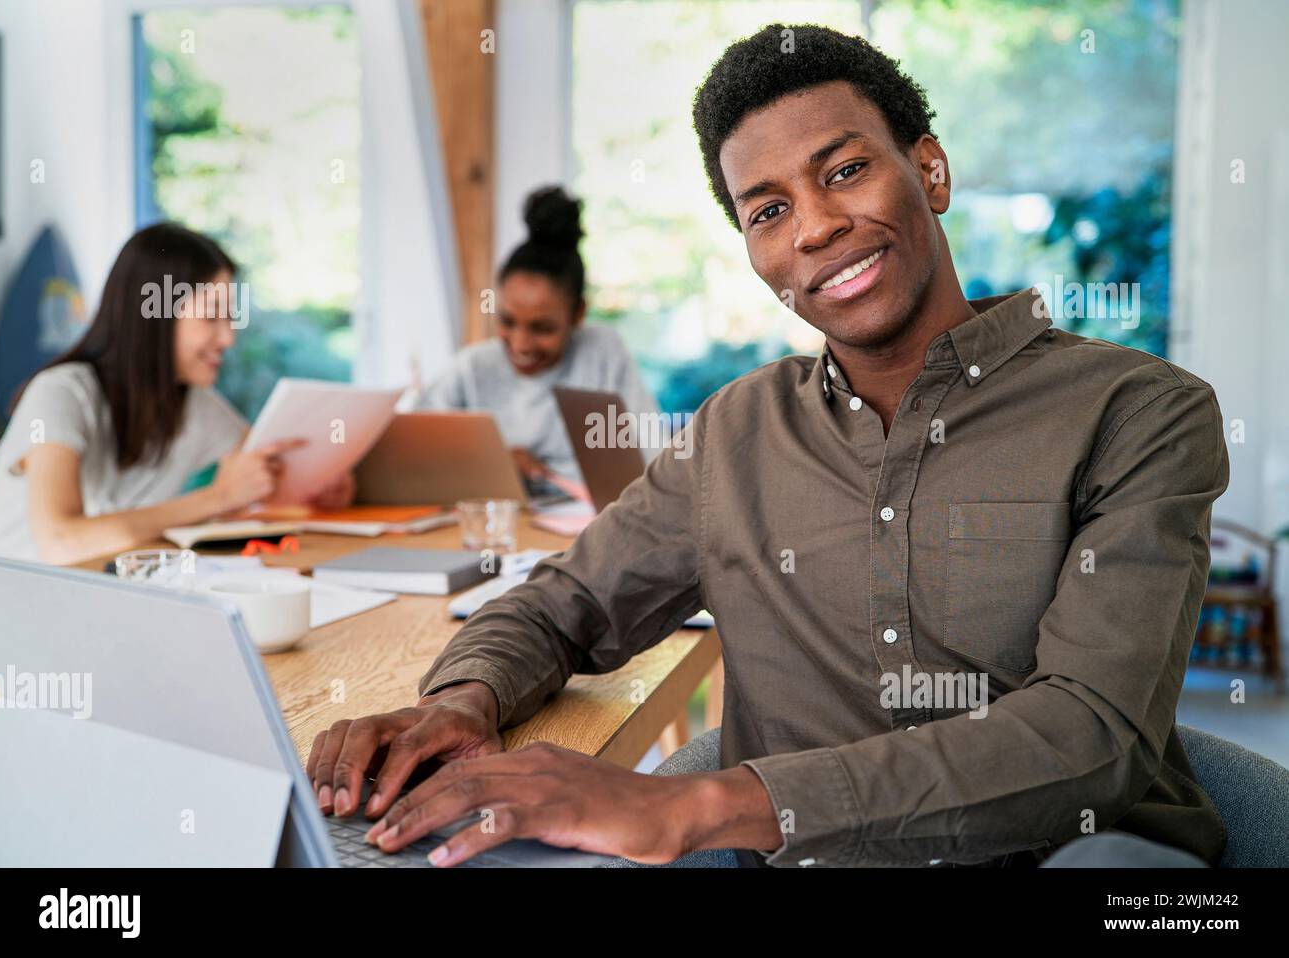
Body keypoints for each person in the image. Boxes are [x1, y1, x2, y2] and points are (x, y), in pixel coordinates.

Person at [307, 25, 1229, 869]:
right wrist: (459, 701)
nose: (817, 228)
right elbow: (565, 603)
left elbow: (1091, 735)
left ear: (931, 171)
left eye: (842, 172)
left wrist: (699, 806)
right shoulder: (733, 435)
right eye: (767, 211)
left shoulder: (1139, 413)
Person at [0, 223, 352, 565]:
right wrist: (218, 497)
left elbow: (267, 472)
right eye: (212, 318)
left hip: (107, 592)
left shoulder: (194, 403)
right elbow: (61, 541)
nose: (228, 338)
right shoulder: (61, 394)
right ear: (156, 318)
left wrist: (322, 483)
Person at [412, 185, 658, 484]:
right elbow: (412, 450)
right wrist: (494, 461)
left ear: (578, 314)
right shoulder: (474, 367)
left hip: (584, 520)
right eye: (507, 321)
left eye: (542, 328)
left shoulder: (601, 353)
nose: (520, 344)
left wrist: (548, 475)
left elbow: (650, 457)